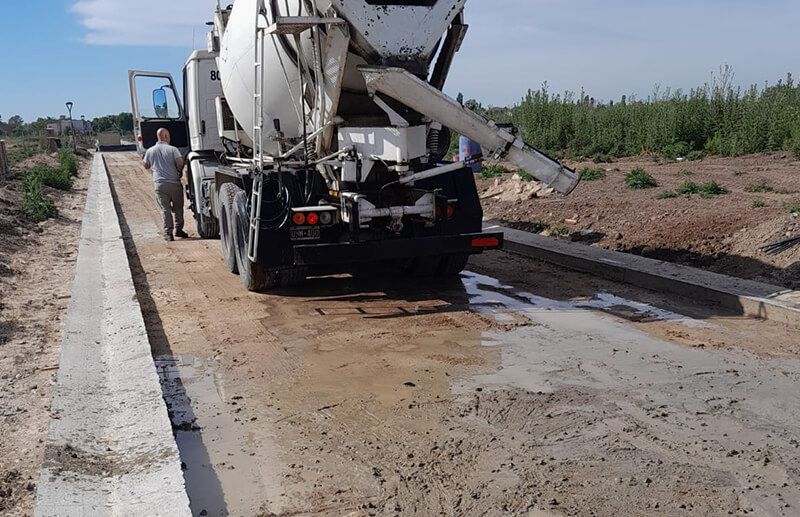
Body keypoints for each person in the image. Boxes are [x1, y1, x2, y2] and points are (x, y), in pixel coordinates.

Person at [143, 128, 189, 241]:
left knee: (165, 209)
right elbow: (179, 163)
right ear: (166, 136)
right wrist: (179, 170)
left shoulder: (150, 151)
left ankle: (168, 233)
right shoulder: (173, 149)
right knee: (178, 208)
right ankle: (178, 229)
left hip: (160, 184)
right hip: (174, 183)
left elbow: (146, 165)